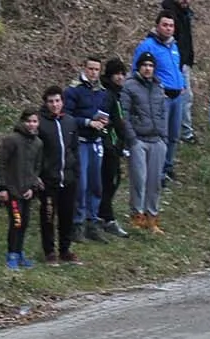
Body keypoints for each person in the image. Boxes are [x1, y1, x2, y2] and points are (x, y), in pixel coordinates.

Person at [133, 11, 184, 184]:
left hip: (178, 97)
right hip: (161, 97)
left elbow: (176, 69)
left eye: (171, 26)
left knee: (174, 135)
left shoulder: (174, 46)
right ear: (157, 26)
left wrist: (182, 84)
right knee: (161, 135)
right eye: (165, 25)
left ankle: (168, 167)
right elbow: (136, 71)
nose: (168, 29)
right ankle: (158, 171)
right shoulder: (148, 45)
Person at [63, 56, 109, 243]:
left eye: (97, 70)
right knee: (81, 185)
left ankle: (92, 221)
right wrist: (88, 122)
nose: (93, 73)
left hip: (96, 141)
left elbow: (107, 112)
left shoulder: (102, 92)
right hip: (80, 140)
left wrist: (104, 121)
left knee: (95, 184)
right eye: (90, 69)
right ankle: (77, 223)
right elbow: (67, 116)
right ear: (84, 69)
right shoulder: (74, 90)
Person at [123, 51, 168, 234]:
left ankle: (152, 217)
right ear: (139, 67)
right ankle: (137, 216)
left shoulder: (158, 86)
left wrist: (164, 138)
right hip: (138, 140)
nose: (148, 69)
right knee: (139, 180)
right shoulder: (129, 86)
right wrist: (132, 138)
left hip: (157, 139)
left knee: (154, 181)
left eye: (151, 66)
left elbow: (163, 113)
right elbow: (124, 114)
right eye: (145, 65)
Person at [37, 86, 81, 266]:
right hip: (48, 179)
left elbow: (75, 148)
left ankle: (65, 249)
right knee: (48, 216)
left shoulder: (70, 121)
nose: (54, 105)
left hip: (68, 177)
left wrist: (75, 170)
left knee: (67, 215)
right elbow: (35, 152)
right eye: (50, 101)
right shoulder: (40, 123)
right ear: (45, 103)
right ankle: (49, 252)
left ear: (62, 102)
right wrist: (38, 175)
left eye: (57, 101)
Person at [0, 108, 43, 271]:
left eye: (35, 121)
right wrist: (2, 187)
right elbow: (1, 164)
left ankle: (20, 251)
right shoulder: (12, 140)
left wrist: (33, 188)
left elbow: (36, 168)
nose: (31, 124)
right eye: (28, 121)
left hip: (27, 192)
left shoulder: (38, 143)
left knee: (25, 222)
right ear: (23, 122)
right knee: (16, 221)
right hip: (12, 191)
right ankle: (12, 254)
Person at [96, 58, 134, 238]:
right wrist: (109, 142)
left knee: (114, 181)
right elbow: (105, 120)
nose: (119, 77)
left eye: (122, 74)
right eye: (116, 74)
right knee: (109, 181)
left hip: (116, 144)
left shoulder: (117, 94)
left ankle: (104, 215)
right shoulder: (107, 94)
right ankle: (105, 217)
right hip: (108, 145)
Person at [159, 0, 196, 144]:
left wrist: (189, 57)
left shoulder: (185, 13)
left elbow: (187, 39)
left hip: (183, 61)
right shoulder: (171, 14)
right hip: (175, 63)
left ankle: (181, 131)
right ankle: (184, 133)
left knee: (186, 97)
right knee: (183, 97)